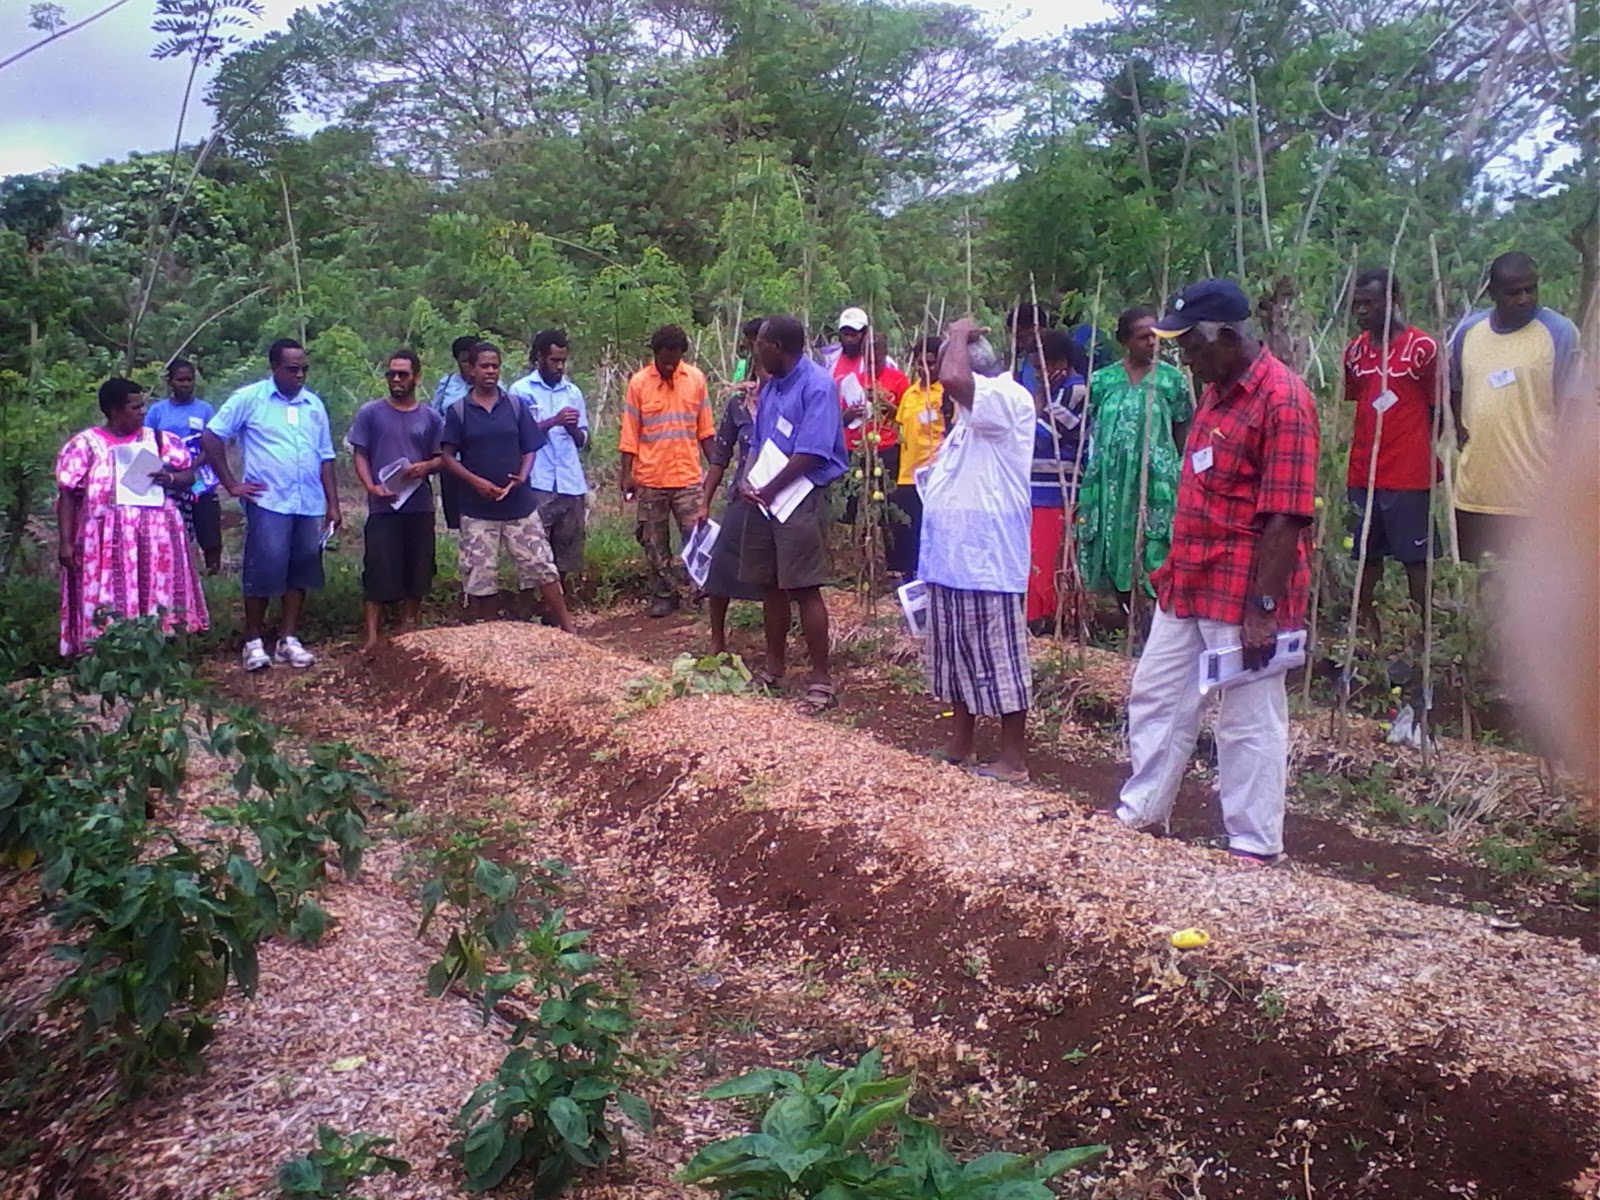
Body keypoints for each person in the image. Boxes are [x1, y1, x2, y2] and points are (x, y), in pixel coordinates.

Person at [1107, 279, 1319, 866]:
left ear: (1227, 336)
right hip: (1191, 577)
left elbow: (1286, 514)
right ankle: (1144, 809)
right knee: (1157, 694)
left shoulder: (1283, 400)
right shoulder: (1216, 390)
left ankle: (1253, 845)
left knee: (1249, 719)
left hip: (1244, 588)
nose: (1186, 360)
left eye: (1192, 347)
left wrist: (1264, 609)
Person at [918, 319, 1037, 782]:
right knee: (955, 655)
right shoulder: (970, 417)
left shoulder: (1007, 398)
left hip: (988, 560)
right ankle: (961, 744)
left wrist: (959, 333)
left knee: (999, 659)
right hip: (954, 558)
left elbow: (952, 378)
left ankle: (1013, 759)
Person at [203, 339, 340, 672]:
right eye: (293, 369)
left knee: (301, 569)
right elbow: (211, 436)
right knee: (264, 569)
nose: (300, 375)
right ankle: (253, 641)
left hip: (308, 502)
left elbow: (325, 456)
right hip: (269, 502)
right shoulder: (250, 399)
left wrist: (333, 504)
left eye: (304, 368)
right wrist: (231, 483)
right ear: (275, 368)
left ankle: (288, 639)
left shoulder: (313, 405)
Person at [738, 314, 848, 712]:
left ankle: (821, 681)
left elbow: (810, 452)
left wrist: (769, 489)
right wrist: (750, 481)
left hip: (801, 495)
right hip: (767, 495)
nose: (755, 349)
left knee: (804, 587)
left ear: (778, 347)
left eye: (760, 344)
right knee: (770, 583)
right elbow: (762, 439)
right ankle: (774, 669)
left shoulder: (818, 386)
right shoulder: (771, 388)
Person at [55, 378, 209, 656]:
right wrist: (65, 542)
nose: (141, 412)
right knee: (108, 596)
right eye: (135, 407)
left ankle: (160, 653)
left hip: (157, 538)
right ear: (114, 410)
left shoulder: (159, 440)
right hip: (103, 540)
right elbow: (67, 493)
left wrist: (170, 477)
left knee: (157, 593)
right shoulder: (86, 445)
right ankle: (108, 654)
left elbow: (188, 475)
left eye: (143, 406)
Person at [1450, 252, 1583, 564]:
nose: (1524, 299)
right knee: (1476, 579)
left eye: (1531, 289)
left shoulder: (1560, 333)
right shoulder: (1467, 333)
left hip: (1534, 495)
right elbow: (1455, 387)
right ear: (1492, 293)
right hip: (1475, 493)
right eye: (1513, 292)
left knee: (1529, 587)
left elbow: (1574, 407)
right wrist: (1460, 429)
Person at [440, 343, 574, 631]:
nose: (490, 371)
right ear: (471, 369)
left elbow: (530, 447)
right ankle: (492, 637)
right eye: (484, 366)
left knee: (542, 566)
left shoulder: (514, 405)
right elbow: (448, 457)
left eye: (495, 366)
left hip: (519, 505)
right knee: (481, 574)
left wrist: (522, 477)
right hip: (477, 509)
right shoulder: (459, 411)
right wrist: (476, 482)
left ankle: (568, 627)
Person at [1342, 270, 1439, 642]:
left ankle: (1425, 637)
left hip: (1408, 473)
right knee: (1366, 557)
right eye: (1357, 305)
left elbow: (1437, 407)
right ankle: (1368, 634)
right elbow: (1359, 402)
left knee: (1416, 560)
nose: (1362, 311)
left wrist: (1427, 453)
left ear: (1392, 300)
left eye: (1369, 303)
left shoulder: (1423, 349)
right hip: (1363, 471)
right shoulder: (1354, 352)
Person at [1076, 305, 1192, 610]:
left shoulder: (1172, 380)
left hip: (1155, 482)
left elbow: (1183, 430)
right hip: (1110, 482)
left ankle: (1153, 618)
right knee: (1110, 540)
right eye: (1144, 338)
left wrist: (1172, 470)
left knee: (1154, 544)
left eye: (1156, 336)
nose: (1153, 343)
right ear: (1125, 340)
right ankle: (1120, 613)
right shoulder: (1102, 380)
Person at [349, 349, 444, 654]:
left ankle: (408, 625)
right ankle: (373, 635)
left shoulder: (430, 417)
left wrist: (425, 467)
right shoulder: (370, 413)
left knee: (418, 565)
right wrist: (371, 486)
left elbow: (442, 457)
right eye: (392, 373)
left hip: (419, 503)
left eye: (403, 374)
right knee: (378, 566)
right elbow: (360, 453)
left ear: (417, 376)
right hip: (383, 504)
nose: (397, 379)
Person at [620, 324, 715, 618]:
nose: (670, 366)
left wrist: (717, 469)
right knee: (653, 540)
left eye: (675, 360)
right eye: (665, 361)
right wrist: (627, 474)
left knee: (697, 536)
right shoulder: (638, 384)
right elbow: (629, 433)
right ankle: (664, 594)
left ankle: (703, 591)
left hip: (687, 476)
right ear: (655, 354)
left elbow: (706, 430)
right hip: (651, 477)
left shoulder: (696, 380)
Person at [697, 348, 767, 655]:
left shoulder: (786, 404)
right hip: (742, 495)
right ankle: (717, 641)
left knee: (774, 577)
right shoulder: (738, 407)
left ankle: (775, 646)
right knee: (721, 569)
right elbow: (720, 457)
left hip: (777, 500)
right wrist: (704, 503)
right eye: (760, 370)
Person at [511, 329, 589, 598]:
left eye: (563, 361)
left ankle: (559, 606)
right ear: (540, 358)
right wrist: (553, 421)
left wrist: (572, 429)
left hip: (569, 480)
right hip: (539, 480)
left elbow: (583, 440)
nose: (559, 366)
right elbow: (516, 435)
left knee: (567, 548)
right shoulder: (520, 391)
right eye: (554, 360)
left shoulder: (573, 392)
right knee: (534, 547)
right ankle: (532, 604)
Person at [1025, 329, 1089, 632]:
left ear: (1060, 362)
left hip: (1057, 489)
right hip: (1040, 487)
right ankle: (1039, 613)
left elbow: (1040, 436)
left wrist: (1037, 402)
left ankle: (1053, 616)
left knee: (1049, 553)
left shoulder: (1074, 391)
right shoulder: (1055, 391)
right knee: (1037, 552)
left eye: (1042, 368)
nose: (1038, 375)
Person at [144, 358, 222, 574]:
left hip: (200, 477)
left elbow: (214, 442)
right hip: (167, 478)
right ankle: (174, 572)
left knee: (208, 526)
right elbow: (146, 441)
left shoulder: (205, 410)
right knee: (171, 528)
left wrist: (193, 466)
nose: (185, 384)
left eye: (189, 380)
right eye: (180, 380)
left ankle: (213, 572)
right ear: (170, 382)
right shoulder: (158, 411)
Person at [890, 335, 946, 576]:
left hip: (934, 474)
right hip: (907, 474)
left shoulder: (945, 394)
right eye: (920, 363)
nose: (925, 369)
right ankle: (908, 580)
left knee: (932, 531)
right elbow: (902, 428)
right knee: (908, 532)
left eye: (931, 363)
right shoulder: (910, 393)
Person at [433, 335, 480, 531]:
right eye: (464, 361)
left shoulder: (495, 387)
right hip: (452, 461)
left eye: (473, 360)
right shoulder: (447, 385)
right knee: (457, 519)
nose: (469, 366)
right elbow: (435, 416)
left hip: (481, 460)